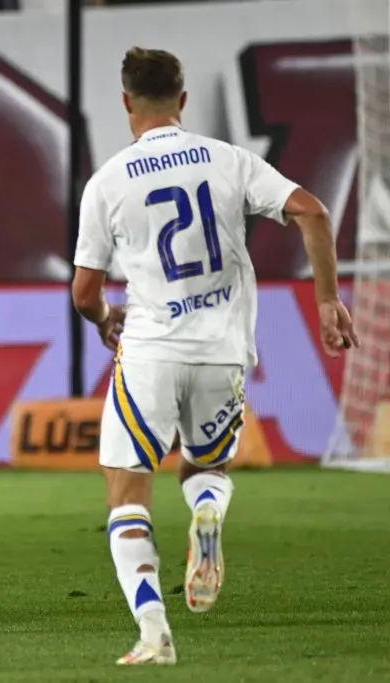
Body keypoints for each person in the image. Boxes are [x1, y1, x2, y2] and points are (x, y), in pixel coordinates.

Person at [71, 47, 359, 665]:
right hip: (223, 350)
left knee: (127, 492)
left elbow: (84, 292)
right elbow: (312, 210)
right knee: (206, 469)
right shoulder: (228, 160)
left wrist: (103, 319)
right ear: (183, 99)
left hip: (149, 349)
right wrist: (329, 301)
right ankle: (205, 509)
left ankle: (154, 633)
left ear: (126, 102)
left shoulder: (109, 181)